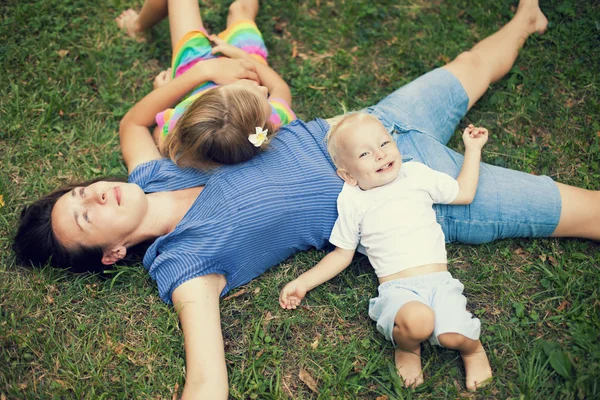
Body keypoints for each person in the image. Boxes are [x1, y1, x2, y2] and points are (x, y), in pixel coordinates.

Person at [13, 0, 600, 398]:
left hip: (372, 126)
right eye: (86, 216)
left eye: (80, 192)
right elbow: (207, 382)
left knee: (468, 66)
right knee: (580, 212)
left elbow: (132, 122)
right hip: (410, 198)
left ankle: (527, 19)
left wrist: (205, 71)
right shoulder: (183, 266)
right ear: (113, 253)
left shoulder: (155, 172)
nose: (93, 194)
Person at [279, 113, 492, 390]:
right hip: (397, 289)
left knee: (454, 335)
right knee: (418, 321)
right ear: (348, 175)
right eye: (365, 153)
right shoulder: (353, 200)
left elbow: (464, 193)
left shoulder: (415, 175)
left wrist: (473, 150)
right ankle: (407, 347)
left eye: (384, 143)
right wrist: (303, 283)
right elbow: (341, 255)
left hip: (440, 283)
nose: (381, 155)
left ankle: (472, 350)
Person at [120, 0, 296, 171]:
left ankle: (137, 26)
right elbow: (279, 88)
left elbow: (159, 132)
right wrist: (244, 58)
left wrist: (166, 91)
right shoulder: (273, 122)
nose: (264, 89)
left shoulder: (181, 126)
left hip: (193, 67)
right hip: (247, 63)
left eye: (249, 86)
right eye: (260, 92)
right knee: (239, 9)